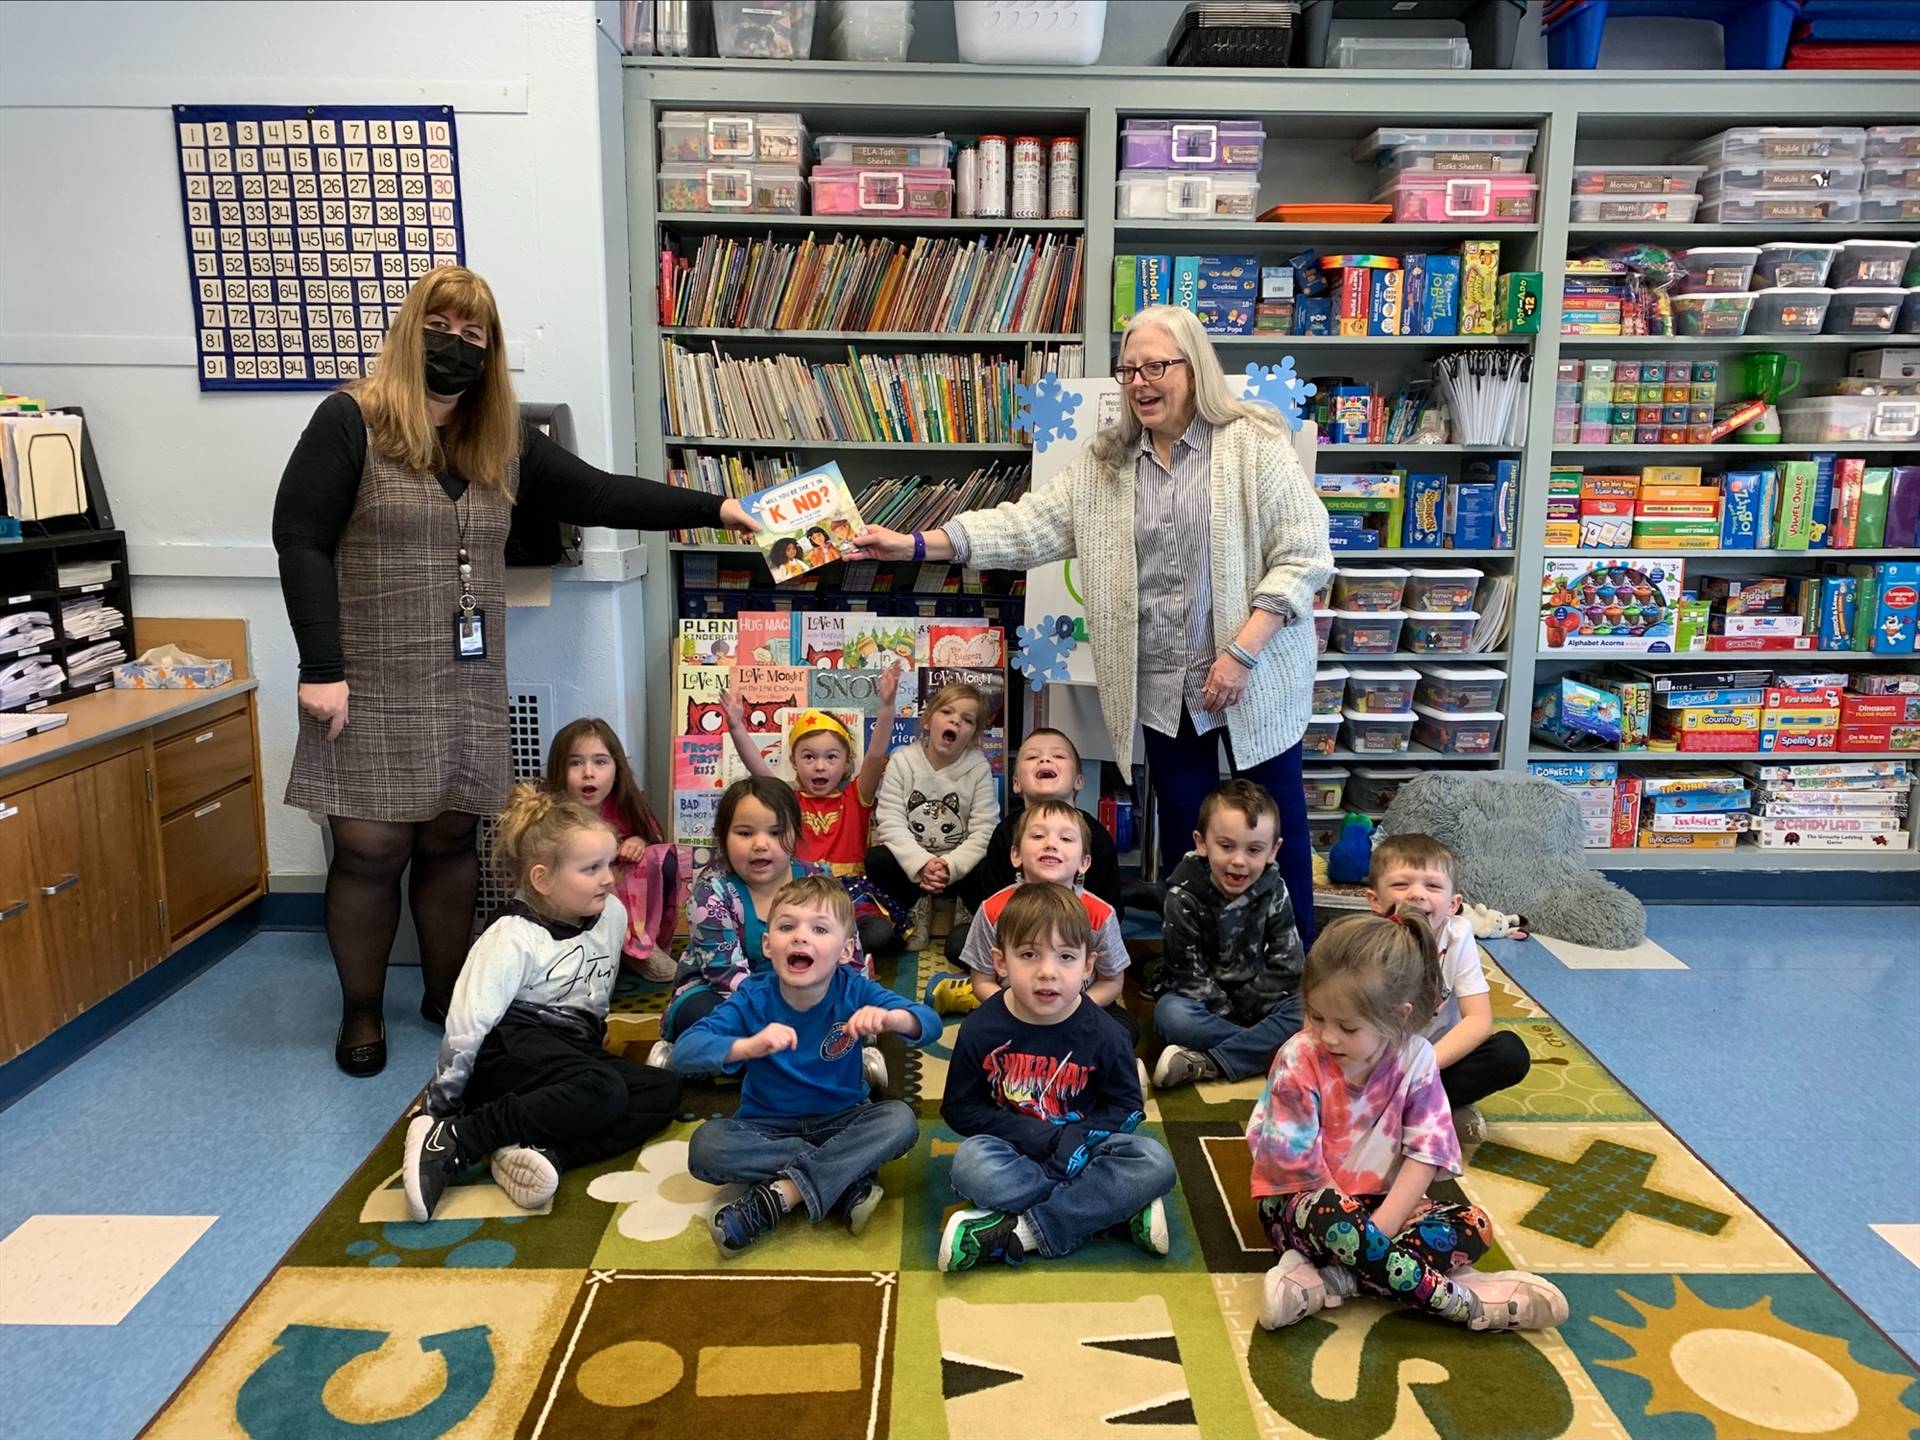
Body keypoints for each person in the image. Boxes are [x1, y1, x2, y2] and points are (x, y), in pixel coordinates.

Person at [274, 265, 755, 1076]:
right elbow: (301, 541)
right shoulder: (349, 420)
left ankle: (443, 992)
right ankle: (361, 1011)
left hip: (465, 681)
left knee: (451, 839)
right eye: (441, 328)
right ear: (409, 330)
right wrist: (320, 666)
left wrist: (716, 509)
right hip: (368, 678)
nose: (455, 347)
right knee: (368, 850)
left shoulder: (498, 440)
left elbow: (602, 494)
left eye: (473, 336)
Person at [850, 303, 1332, 948]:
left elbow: (1305, 554)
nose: (1139, 381)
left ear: (1195, 369)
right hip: (1164, 683)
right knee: (1195, 834)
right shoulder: (1107, 464)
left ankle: (1294, 968)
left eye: (1156, 365)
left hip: (1256, 674)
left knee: (1276, 830)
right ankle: (1206, 962)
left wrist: (1241, 653)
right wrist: (916, 545)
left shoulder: (1252, 445)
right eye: (1128, 368)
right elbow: (1024, 526)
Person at [1247, 910, 1567, 1334]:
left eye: (1346, 1026)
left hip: (1381, 1210)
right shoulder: (1298, 1058)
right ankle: (1462, 1305)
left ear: (1397, 1017)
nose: (1327, 1036)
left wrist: (1373, 1237)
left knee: (1473, 1225)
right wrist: (1359, 1234)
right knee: (1332, 1213)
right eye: (1316, 1017)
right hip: (1304, 1207)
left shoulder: (1416, 1058)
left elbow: (1425, 1155)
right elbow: (1300, 1171)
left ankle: (1328, 1282)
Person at [400, 785, 682, 1222]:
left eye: (608, 864)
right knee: (602, 1091)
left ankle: (545, 1152)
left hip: (569, 1054)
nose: (609, 878)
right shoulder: (510, 937)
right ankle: (458, 1138)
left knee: (661, 1091)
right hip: (509, 1053)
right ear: (542, 880)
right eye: (591, 868)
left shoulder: (611, 914)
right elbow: (465, 1028)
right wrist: (440, 1106)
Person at [673, 877, 937, 1255]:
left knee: (900, 1121)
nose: (800, 937)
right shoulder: (753, 996)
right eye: (786, 927)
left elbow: (927, 1022)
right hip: (766, 1127)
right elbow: (686, 1051)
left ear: (846, 950)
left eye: (819, 929)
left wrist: (893, 1019)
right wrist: (747, 1046)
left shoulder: (854, 988)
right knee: (706, 1147)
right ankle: (843, 1181)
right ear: (768, 945)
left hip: (844, 1120)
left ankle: (783, 1194)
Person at [939, 884, 1174, 1271]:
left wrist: (1077, 1137)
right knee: (969, 1165)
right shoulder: (980, 1029)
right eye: (1028, 954)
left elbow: (1127, 1108)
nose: (1047, 972)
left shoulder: (1107, 1034)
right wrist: (1032, 1133)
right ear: (1000, 962)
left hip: (1084, 1153)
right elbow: (959, 1109)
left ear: (1087, 966)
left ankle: (1022, 1232)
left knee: (1154, 1161)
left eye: (1066, 957)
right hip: (1013, 1152)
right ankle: (1112, 1213)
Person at [648, 777, 871, 1070]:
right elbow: (724, 973)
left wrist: (855, 1001)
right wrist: (781, 1012)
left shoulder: (819, 881)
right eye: (744, 833)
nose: (760, 845)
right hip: (728, 994)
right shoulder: (711, 892)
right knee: (700, 1015)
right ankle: (795, 1058)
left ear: (795, 834)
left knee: (853, 1008)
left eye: (776, 832)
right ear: (723, 837)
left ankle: (788, 1058)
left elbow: (847, 952)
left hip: (809, 989)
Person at [719, 667, 907, 953]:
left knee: (878, 933)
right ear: (794, 761)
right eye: (809, 757)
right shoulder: (788, 800)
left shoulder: (856, 795)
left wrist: (888, 707)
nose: (820, 766)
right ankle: (828, 952)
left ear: (846, 763)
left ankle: (835, 954)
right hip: (799, 891)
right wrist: (736, 727)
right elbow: (756, 769)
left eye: (831, 757)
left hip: (849, 894)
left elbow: (876, 754)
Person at [1366, 833, 1531, 1155]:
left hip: (1435, 1064)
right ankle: (1422, 1112)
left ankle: (1417, 1108)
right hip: (1376, 1065)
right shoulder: (1365, 940)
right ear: (1374, 900)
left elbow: (1479, 1021)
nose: (1417, 894)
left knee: (1509, 1053)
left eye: (1433, 886)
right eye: (1401, 885)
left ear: (1454, 905)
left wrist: (1419, 1070)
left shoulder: (1458, 936)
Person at [1150, 780, 1306, 1090]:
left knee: (1312, 1006)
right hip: (1205, 1006)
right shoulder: (1182, 897)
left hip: (1263, 999)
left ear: (1273, 850)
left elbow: (1288, 966)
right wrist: (1244, 1023)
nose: (1238, 860)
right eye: (1226, 846)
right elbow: (1189, 979)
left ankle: (1209, 1063)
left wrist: (1254, 1008)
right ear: (1202, 843)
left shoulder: (1275, 888)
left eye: (1254, 850)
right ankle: (1281, 1051)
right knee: (1170, 1015)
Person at [943, 803, 1137, 1046]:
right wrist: (1015, 1010)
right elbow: (982, 980)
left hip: (1080, 1007)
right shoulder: (993, 910)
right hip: (1014, 1008)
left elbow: (1111, 981)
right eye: (1037, 835)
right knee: (974, 1031)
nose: (1051, 843)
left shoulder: (1099, 914)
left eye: (1066, 838)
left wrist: (1075, 1011)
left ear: (1084, 862)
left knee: (1122, 1031)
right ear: (1016, 854)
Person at [545, 717, 679, 981]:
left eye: (600, 761)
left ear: (617, 768)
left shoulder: (625, 805)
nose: (588, 772)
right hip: (575, 901)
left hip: (624, 905)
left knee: (661, 859)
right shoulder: (553, 813)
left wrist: (639, 843)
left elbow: (652, 836)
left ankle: (640, 947)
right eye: (575, 763)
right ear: (558, 770)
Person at [865, 680, 999, 922]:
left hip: (959, 868)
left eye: (967, 720)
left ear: (972, 735)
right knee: (877, 859)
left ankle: (965, 909)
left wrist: (949, 866)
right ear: (927, 721)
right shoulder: (902, 762)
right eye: (947, 712)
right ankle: (915, 908)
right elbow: (890, 822)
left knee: (992, 862)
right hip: (913, 869)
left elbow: (985, 830)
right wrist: (922, 864)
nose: (955, 721)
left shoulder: (978, 768)